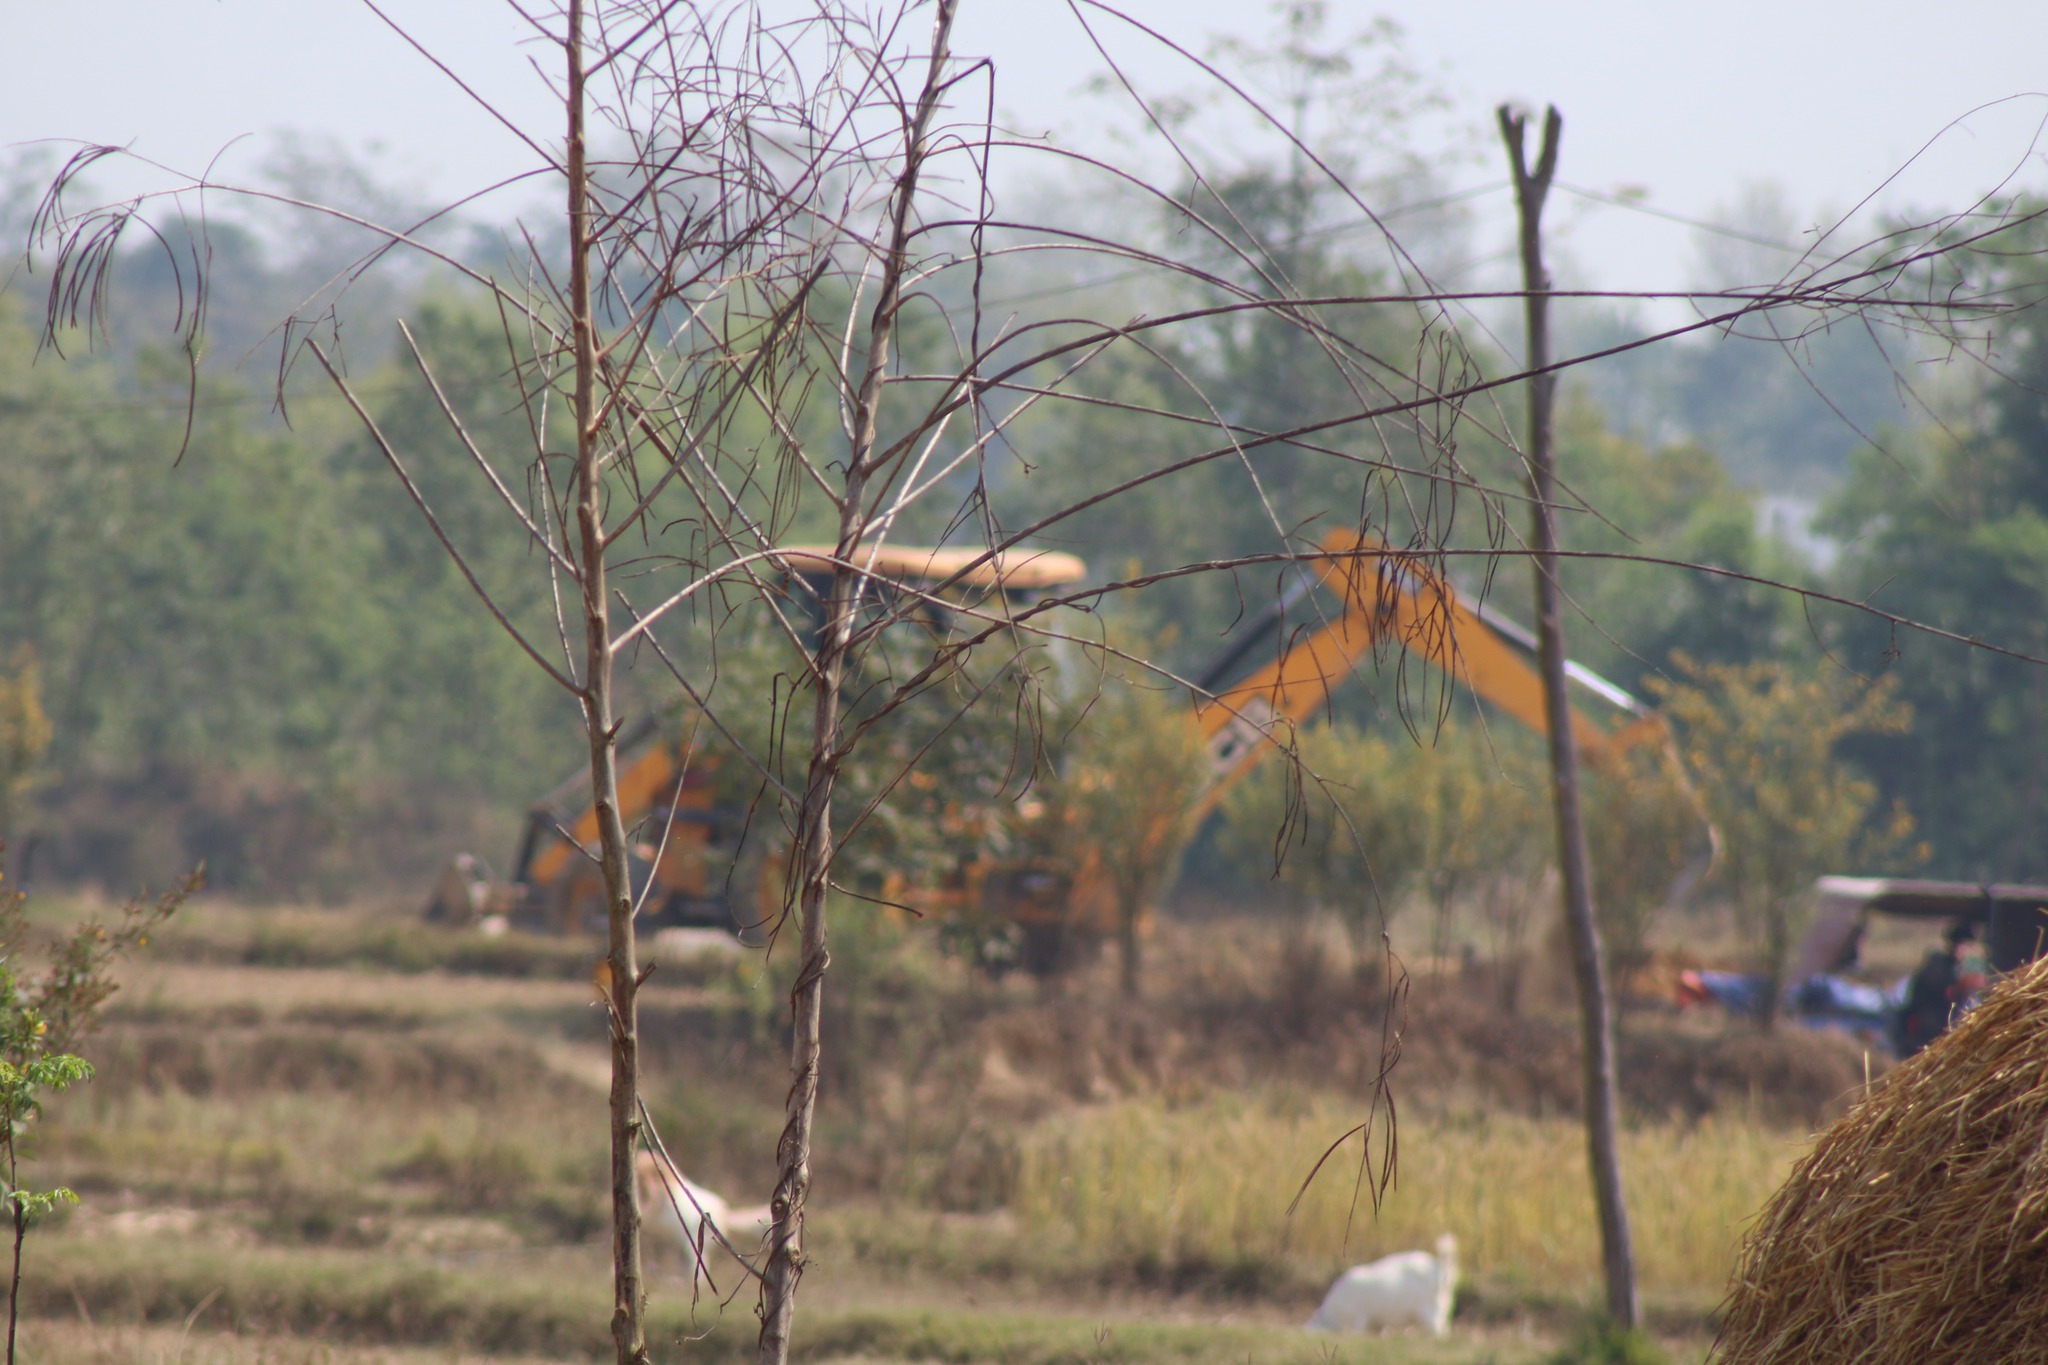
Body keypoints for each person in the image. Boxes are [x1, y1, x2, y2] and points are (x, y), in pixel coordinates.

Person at [1893, 921, 1979, 1058]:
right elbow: (1938, 994)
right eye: (1963, 945)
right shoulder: (1937, 966)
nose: (1965, 951)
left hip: (1939, 1030)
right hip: (1925, 1031)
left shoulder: (1957, 968)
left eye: (1968, 946)